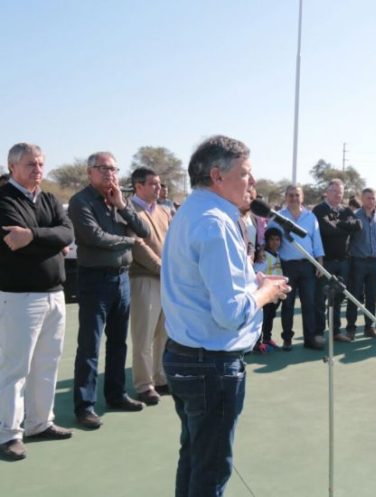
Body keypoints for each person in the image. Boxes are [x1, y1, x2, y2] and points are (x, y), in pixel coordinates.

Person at [161, 135, 289, 496]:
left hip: (186, 356)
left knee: (195, 458)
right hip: (211, 365)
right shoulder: (216, 223)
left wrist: (253, 281)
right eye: (246, 173)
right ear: (217, 175)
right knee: (211, 469)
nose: (253, 182)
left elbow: (207, 284)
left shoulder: (192, 211)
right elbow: (231, 313)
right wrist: (266, 292)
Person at [0, 143, 74, 461]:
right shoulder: (4, 200)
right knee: (15, 368)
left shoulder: (48, 198)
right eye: (31, 164)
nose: (38, 169)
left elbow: (68, 232)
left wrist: (33, 236)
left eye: (41, 164)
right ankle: (8, 433)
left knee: (47, 363)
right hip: (19, 298)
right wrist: (49, 239)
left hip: (54, 294)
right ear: (12, 166)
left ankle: (40, 422)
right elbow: (14, 242)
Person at [69, 151, 150, 429]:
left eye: (114, 169)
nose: (109, 174)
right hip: (95, 281)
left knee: (118, 343)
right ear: (89, 172)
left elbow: (144, 230)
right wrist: (128, 242)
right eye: (102, 168)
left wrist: (123, 207)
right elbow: (93, 236)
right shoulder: (81, 202)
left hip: (122, 280)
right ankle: (85, 406)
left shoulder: (119, 199)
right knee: (89, 346)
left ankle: (116, 395)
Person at [127, 167, 172, 405]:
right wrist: (163, 268)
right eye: (153, 183)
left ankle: (160, 377)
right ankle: (144, 385)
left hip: (166, 280)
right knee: (143, 335)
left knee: (163, 333)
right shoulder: (128, 210)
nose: (158, 187)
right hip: (143, 278)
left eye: (159, 183)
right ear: (138, 185)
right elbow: (137, 245)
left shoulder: (164, 211)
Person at [270, 185, 326, 351]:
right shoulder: (278, 217)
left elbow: (317, 241)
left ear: (302, 197)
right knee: (287, 305)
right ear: (286, 197)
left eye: (297, 195)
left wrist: (320, 262)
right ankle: (287, 339)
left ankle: (310, 339)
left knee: (309, 303)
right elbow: (270, 240)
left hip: (308, 266)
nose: (294, 198)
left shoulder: (311, 217)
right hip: (287, 266)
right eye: (291, 195)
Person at [313, 179, 361, 342]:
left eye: (340, 192)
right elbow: (326, 230)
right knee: (320, 298)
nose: (337, 195)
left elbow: (358, 225)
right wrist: (345, 227)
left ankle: (335, 332)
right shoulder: (319, 210)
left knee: (338, 298)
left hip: (343, 261)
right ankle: (318, 332)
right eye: (334, 191)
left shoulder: (345, 210)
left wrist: (338, 223)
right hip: (325, 262)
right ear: (327, 192)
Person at [346, 188, 376, 339]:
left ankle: (369, 327)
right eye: (368, 198)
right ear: (362, 199)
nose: (371, 202)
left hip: (375, 263)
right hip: (358, 262)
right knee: (354, 296)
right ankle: (351, 328)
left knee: (372, 297)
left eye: (373, 199)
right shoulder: (354, 216)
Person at [253, 227, 284, 352]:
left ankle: (267, 338)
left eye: (277, 240)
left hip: (274, 294)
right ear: (267, 241)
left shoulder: (278, 255)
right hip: (265, 294)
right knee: (263, 318)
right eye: (271, 240)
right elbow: (256, 273)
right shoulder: (264, 256)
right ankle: (257, 343)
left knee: (270, 316)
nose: (275, 242)